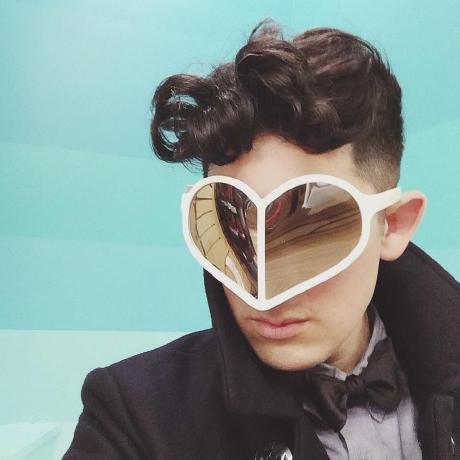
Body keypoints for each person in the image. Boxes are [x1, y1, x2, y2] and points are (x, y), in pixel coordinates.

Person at [62, 18, 459, 459]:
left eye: (310, 232)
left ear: (393, 223)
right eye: (232, 225)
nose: (265, 294)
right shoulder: (135, 419)